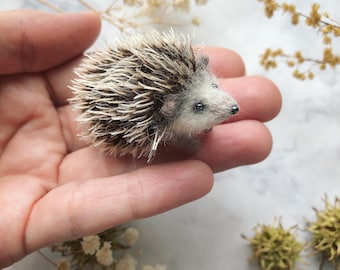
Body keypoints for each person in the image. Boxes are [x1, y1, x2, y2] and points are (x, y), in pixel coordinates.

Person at [0, 9, 281, 267]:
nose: (228, 105)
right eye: (199, 107)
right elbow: (179, 136)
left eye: (214, 86)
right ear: (169, 111)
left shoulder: (186, 94)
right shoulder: (163, 121)